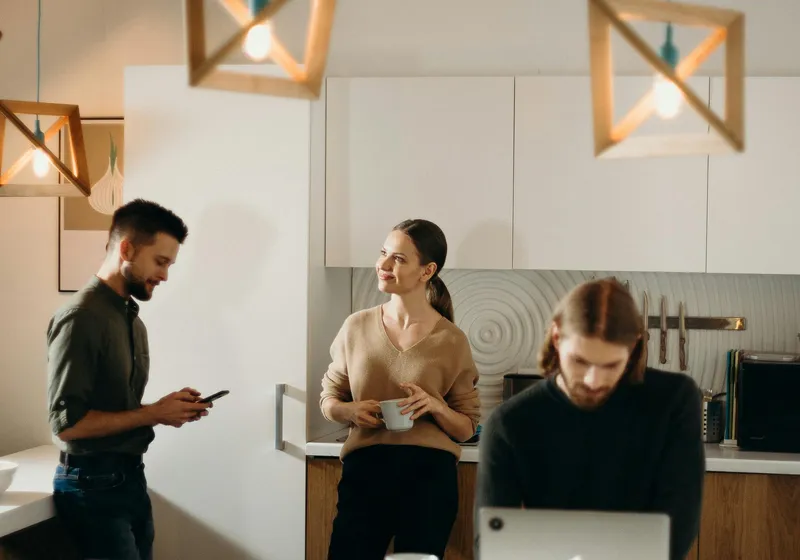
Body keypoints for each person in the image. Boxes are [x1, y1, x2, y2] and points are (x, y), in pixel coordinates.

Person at [476, 278, 704, 560]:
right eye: (580, 361)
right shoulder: (509, 423)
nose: (593, 381)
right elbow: (492, 543)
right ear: (557, 338)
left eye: (610, 365)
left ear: (633, 348)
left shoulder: (674, 401)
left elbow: (678, 525)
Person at [46, 199, 213, 560]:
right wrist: (152, 414)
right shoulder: (81, 317)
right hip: (92, 487)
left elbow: (113, 410)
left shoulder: (131, 319)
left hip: (129, 479)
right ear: (127, 248)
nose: (166, 275)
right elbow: (67, 425)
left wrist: (167, 409)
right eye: (161, 261)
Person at [320, 219, 481, 560]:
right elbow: (329, 399)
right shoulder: (356, 326)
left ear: (427, 271)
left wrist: (435, 407)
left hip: (429, 479)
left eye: (399, 258)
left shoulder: (452, 340)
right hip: (365, 473)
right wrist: (348, 411)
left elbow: (466, 427)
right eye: (383, 254)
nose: (383, 265)